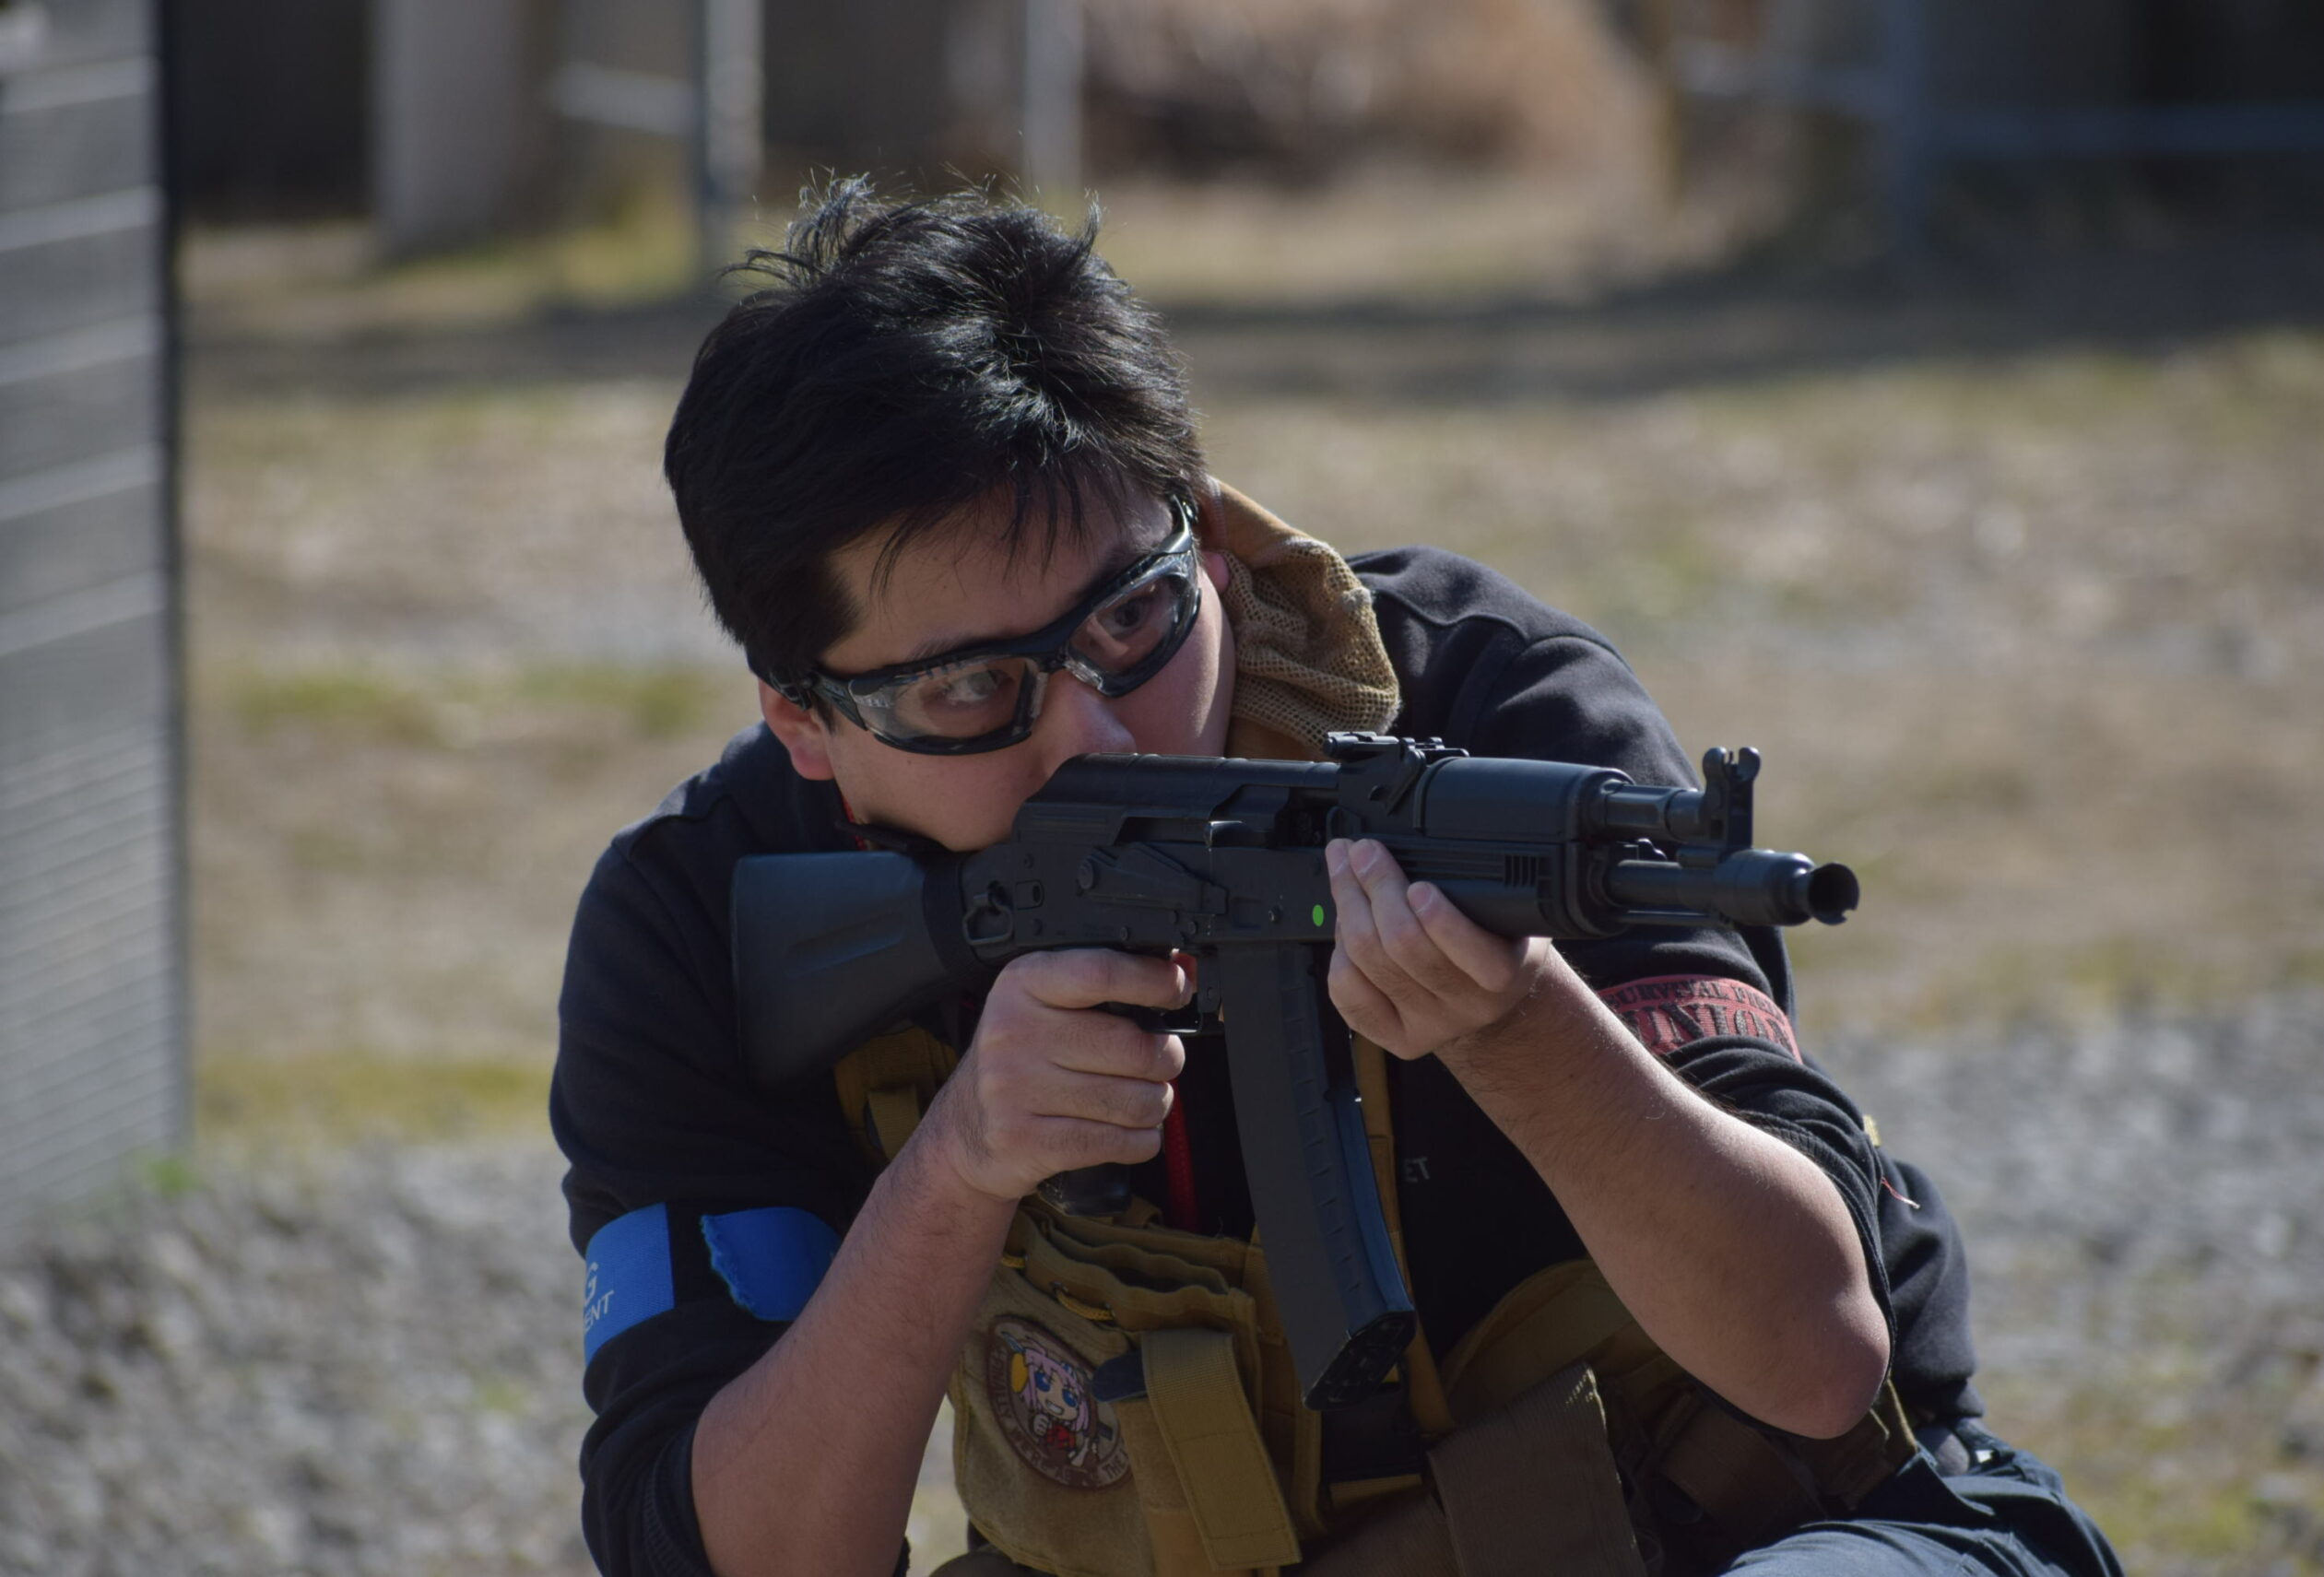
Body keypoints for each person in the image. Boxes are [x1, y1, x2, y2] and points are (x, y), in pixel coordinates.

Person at [552, 182, 2121, 1577]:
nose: (1098, 732)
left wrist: (1521, 1033)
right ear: (805, 722)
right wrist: (958, 1168)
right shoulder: (709, 919)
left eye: (1131, 621)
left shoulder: (1490, 725)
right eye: (974, 692)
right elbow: (740, 1553)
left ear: (1208, 540)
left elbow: (1820, 1357)